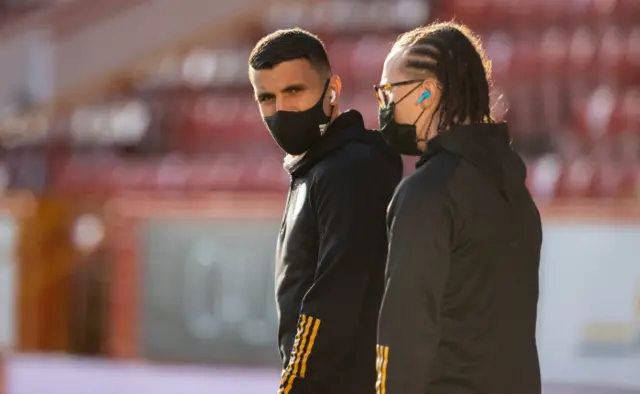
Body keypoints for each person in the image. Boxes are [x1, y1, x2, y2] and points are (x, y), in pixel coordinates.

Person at [374, 22, 543, 394]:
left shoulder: (427, 194)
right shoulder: (515, 192)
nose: (383, 106)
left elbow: (405, 333)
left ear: (426, 95)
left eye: (388, 91)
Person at [248, 28, 403, 394]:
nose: (281, 109)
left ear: (332, 90)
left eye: (295, 91)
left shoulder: (349, 169)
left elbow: (334, 297)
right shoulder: (315, 169)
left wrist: (295, 385)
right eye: (266, 98)